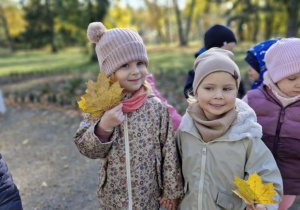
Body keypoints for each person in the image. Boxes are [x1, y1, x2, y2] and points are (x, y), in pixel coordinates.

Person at [73, 22, 183, 210]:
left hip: (148, 197)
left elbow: (169, 152)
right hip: (113, 199)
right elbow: (86, 148)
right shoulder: (101, 105)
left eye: (139, 63)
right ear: (110, 72)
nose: (135, 71)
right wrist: (103, 127)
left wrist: (171, 192)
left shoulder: (156, 108)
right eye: (125, 65)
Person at [176, 48, 283, 210]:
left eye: (227, 89)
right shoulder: (185, 131)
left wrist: (264, 204)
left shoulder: (245, 135)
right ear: (196, 90)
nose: (218, 95)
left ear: (236, 91)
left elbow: (267, 176)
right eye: (209, 88)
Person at [244, 38, 300, 210]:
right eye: (292, 78)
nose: (299, 83)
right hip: (255, 175)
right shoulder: (252, 99)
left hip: (288, 180)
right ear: (275, 76)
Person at [183, 24, 245, 99]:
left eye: (231, 51)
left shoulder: (232, 70)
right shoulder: (197, 71)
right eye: (228, 50)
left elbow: (241, 91)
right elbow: (188, 92)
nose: (230, 54)